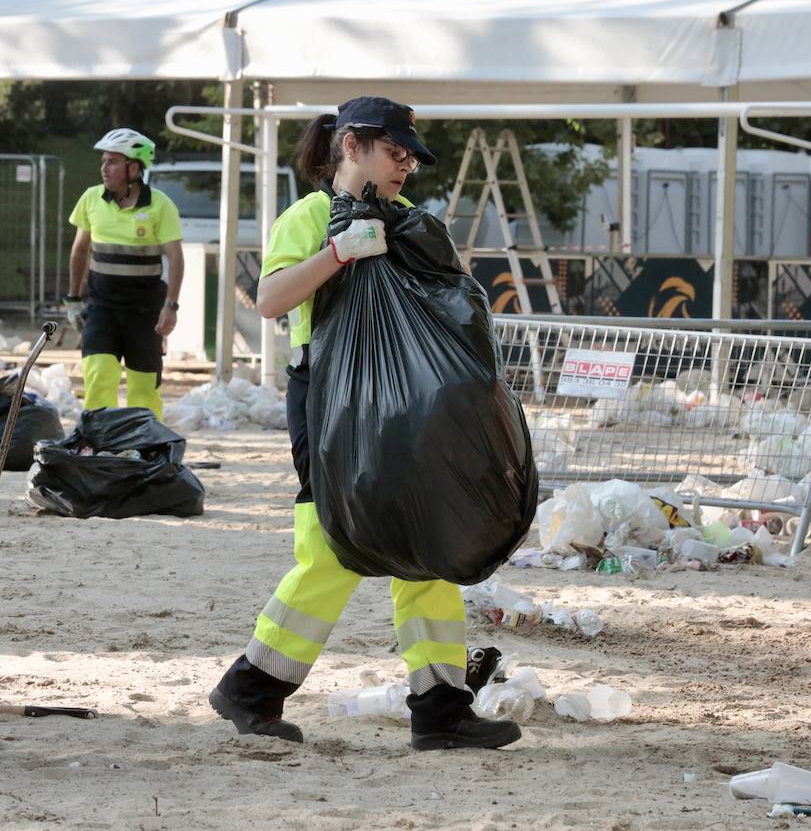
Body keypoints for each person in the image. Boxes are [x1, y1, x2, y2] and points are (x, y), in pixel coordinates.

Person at [208, 96, 522, 751]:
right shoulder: (310, 216)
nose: (406, 165)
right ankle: (251, 686)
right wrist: (338, 254)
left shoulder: (408, 220)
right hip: (329, 402)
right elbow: (269, 300)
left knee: (427, 537)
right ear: (352, 145)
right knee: (334, 544)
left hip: (406, 408)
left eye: (411, 155)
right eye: (395, 151)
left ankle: (440, 709)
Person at [64, 129, 183, 419]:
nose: (104, 168)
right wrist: (73, 299)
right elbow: (80, 250)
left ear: (134, 167)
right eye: (104, 161)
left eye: (113, 162)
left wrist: (171, 306)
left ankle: (142, 447)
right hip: (101, 307)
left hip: (145, 313)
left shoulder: (160, 205)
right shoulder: (91, 199)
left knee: (144, 388)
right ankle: (98, 444)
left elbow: (175, 257)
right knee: (99, 377)